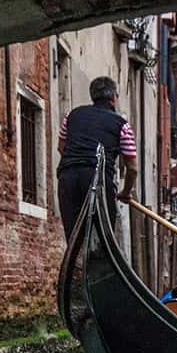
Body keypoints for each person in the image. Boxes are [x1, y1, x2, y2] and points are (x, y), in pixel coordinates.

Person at [56, 77, 138, 239]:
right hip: (98, 178)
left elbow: (61, 147)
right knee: (104, 237)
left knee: (73, 236)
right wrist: (126, 192)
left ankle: (73, 262)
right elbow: (133, 168)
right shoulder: (122, 124)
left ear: (92, 96)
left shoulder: (72, 116)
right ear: (114, 98)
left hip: (68, 177)